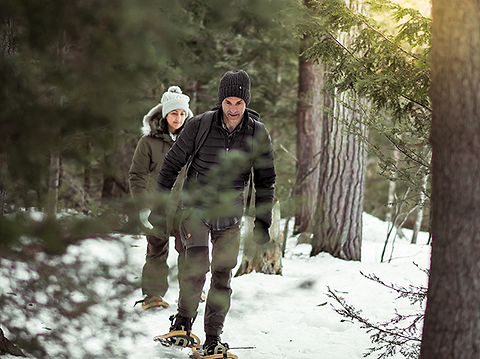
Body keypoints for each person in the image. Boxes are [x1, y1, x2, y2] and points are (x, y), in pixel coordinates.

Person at [155, 70, 276, 355]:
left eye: (239, 103)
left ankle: (212, 338)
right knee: (196, 269)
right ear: (221, 101)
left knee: (222, 275)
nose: (233, 109)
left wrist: (263, 220)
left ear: (246, 103)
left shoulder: (258, 133)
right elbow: (170, 166)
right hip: (195, 209)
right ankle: (183, 323)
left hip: (230, 216)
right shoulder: (199, 126)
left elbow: (265, 179)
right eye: (228, 102)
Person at [129, 85, 193, 310]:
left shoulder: (192, 141)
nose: (178, 117)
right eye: (174, 113)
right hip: (157, 208)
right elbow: (137, 175)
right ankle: (153, 295)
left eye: (183, 113)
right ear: (165, 114)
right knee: (156, 250)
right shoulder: (148, 142)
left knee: (188, 250)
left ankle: (191, 292)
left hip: (184, 208)